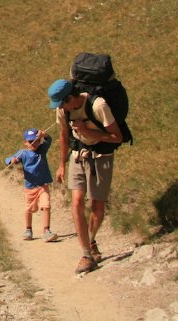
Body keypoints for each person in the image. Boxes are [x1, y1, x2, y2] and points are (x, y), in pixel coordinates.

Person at [48, 78, 123, 274]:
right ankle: (86, 254)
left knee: (97, 207)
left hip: (102, 156)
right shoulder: (63, 110)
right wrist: (61, 165)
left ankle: (90, 241)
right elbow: (64, 136)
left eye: (62, 103)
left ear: (71, 97)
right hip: (77, 156)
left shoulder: (98, 105)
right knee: (77, 202)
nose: (61, 108)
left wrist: (87, 131)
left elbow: (117, 137)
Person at [5, 128, 57, 242]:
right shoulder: (23, 153)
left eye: (36, 141)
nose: (33, 144)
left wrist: (44, 135)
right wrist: (12, 160)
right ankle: (28, 229)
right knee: (30, 209)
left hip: (43, 185)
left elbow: (49, 140)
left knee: (46, 205)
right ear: (25, 142)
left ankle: (47, 231)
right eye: (30, 142)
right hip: (30, 187)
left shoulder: (42, 150)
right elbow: (8, 159)